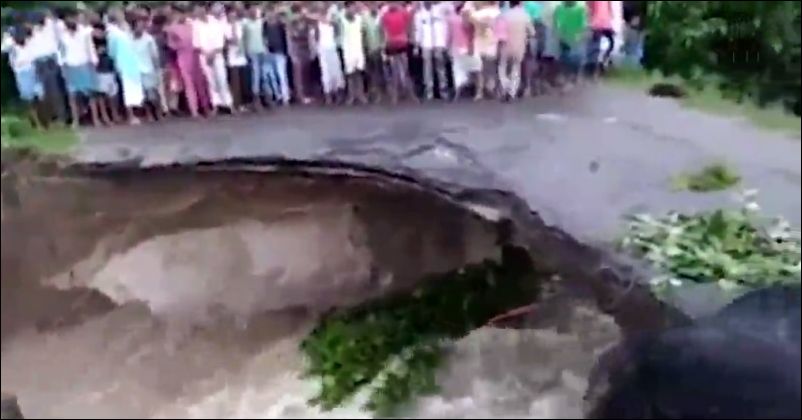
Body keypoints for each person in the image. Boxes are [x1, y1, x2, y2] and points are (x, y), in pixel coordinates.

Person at [167, 5, 210, 118]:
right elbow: (171, 45)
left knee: (200, 84)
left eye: (183, 13)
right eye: (178, 14)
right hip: (183, 58)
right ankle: (194, 110)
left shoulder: (192, 25)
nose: (181, 16)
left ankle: (205, 107)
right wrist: (179, 45)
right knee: (189, 85)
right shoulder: (173, 28)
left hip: (196, 56)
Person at [60, 11, 101, 127]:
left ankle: (95, 119)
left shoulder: (84, 32)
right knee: (72, 95)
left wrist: (94, 62)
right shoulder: (63, 36)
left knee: (90, 94)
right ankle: (76, 120)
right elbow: (61, 53)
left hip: (84, 64)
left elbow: (90, 48)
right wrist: (63, 67)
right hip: (71, 66)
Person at [107, 9, 145, 124]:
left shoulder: (124, 29)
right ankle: (130, 115)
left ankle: (134, 113)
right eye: (120, 15)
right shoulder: (112, 32)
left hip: (132, 62)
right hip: (122, 63)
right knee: (126, 90)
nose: (122, 17)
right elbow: (111, 51)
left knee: (133, 89)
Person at [194, 4, 234, 114]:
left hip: (217, 54)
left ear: (204, 9)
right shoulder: (196, 25)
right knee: (211, 81)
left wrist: (214, 52)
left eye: (200, 8)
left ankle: (228, 103)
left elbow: (221, 40)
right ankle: (216, 104)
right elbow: (196, 43)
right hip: (204, 55)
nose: (198, 11)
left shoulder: (215, 22)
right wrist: (206, 53)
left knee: (222, 79)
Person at [2, 26, 45, 129]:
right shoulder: (12, 47)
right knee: (29, 99)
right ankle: (37, 122)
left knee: (40, 96)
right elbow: (3, 48)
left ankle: (40, 118)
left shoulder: (29, 42)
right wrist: (7, 36)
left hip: (33, 70)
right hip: (22, 74)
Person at [497, 0, 535, 101]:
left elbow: (499, 34)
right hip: (519, 47)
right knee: (515, 69)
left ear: (510, 3)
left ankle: (505, 86)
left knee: (502, 68)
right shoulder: (525, 16)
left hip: (505, 46)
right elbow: (532, 32)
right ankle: (512, 92)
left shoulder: (504, 16)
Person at [414, 1, 450, 101]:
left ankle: (443, 90)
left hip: (439, 42)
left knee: (440, 67)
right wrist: (417, 46)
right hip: (426, 43)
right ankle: (429, 91)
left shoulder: (440, 10)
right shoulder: (419, 14)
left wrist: (445, 43)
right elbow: (418, 31)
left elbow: (445, 27)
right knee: (427, 68)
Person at [381, 1, 416, 104]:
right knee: (394, 71)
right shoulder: (385, 16)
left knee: (405, 69)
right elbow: (384, 30)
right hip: (392, 45)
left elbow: (410, 26)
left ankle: (410, 94)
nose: (392, 4)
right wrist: (386, 42)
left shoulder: (403, 12)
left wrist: (409, 37)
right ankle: (395, 95)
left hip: (403, 43)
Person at [470, 0, 502, 100]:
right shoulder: (497, 12)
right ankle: (490, 88)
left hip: (480, 41)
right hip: (490, 41)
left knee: (480, 68)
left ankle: (480, 91)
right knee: (490, 67)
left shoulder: (476, 14)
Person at [91, 21, 121, 125]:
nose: (97, 33)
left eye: (99, 31)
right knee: (101, 95)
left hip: (110, 69)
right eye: (96, 30)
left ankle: (114, 114)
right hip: (99, 71)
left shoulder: (108, 41)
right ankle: (105, 117)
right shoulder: (92, 43)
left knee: (112, 94)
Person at [132, 18, 162, 121]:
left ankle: (158, 111)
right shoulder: (129, 39)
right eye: (138, 26)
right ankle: (148, 114)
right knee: (143, 96)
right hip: (136, 71)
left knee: (152, 94)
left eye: (142, 26)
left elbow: (154, 55)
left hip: (149, 69)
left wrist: (157, 70)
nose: (140, 28)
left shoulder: (149, 39)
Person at [314, 6, 345, 105]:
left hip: (332, 48)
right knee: (326, 72)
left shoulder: (333, 24)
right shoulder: (318, 25)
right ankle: (328, 95)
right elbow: (316, 38)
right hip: (323, 50)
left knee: (336, 71)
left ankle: (338, 93)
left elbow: (337, 30)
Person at [243, 3, 271, 109]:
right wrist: (245, 51)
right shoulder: (246, 23)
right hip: (252, 51)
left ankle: (266, 97)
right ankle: (256, 98)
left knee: (264, 74)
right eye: (252, 11)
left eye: (255, 11)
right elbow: (244, 38)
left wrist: (265, 47)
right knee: (256, 74)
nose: (254, 13)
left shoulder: (260, 22)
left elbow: (263, 35)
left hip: (261, 50)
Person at [447, 2, 478, 101]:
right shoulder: (464, 17)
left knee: (459, 70)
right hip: (461, 46)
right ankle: (464, 90)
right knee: (466, 70)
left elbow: (450, 34)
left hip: (459, 47)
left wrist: (448, 45)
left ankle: (460, 91)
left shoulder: (453, 18)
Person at [553, 0, 587, 89]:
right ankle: (567, 79)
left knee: (575, 59)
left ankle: (573, 78)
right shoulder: (560, 9)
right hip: (564, 38)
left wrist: (580, 35)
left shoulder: (580, 10)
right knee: (565, 59)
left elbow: (583, 25)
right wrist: (559, 35)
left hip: (575, 39)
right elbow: (557, 24)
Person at [286, 4, 315, 105]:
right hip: (296, 50)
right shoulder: (292, 23)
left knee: (305, 73)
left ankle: (305, 93)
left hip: (305, 49)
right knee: (298, 74)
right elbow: (292, 36)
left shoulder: (306, 22)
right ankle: (300, 96)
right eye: (301, 12)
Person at [340, 1, 367, 105]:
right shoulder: (342, 20)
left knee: (359, 72)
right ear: (347, 8)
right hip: (348, 50)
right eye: (351, 7)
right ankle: (351, 95)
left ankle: (360, 94)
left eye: (354, 7)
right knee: (350, 74)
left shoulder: (359, 19)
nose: (353, 9)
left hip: (358, 49)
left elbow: (363, 32)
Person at [264, 4, 291, 106]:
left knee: (281, 74)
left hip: (280, 52)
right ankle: (277, 95)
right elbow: (264, 38)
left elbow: (285, 37)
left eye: (272, 12)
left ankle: (285, 96)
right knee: (272, 76)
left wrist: (286, 51)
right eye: (268, 13)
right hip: (269, 52)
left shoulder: (280, 25)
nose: (270, 15)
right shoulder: (265, 25)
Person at [225, 7, 250, 111]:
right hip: (232, 57)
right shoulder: (226, 27)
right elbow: (232, 40)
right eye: (231, 16)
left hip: (241, 56)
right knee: (235, 82)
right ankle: (237, 104)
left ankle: (244, 103)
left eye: (234, 16)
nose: (233, 17)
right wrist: (233, 28)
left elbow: (243, 39)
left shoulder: (240, 26)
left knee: (244, 81)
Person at [362, 2, 386, 103]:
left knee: (378, 72)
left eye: (374, 5)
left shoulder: (380, 17)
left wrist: (382, 47)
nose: (373, 7)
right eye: (371, 5)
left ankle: (379, 93)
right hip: (368, 49)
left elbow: (383, 33)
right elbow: (363, 33)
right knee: (369, 73)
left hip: (378, 49)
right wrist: (365, 47)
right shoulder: (365, 17)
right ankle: (371, 92)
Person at [587, 0, 614, 78]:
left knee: (609, 43)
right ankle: (596, 68)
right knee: (598, 45)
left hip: (603, 23)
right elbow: (589, 6)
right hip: (598, 23)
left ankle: (600, 64)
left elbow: (609, 6)